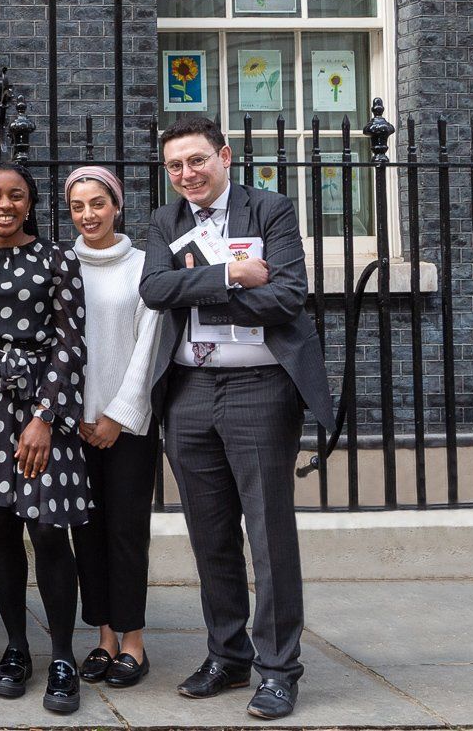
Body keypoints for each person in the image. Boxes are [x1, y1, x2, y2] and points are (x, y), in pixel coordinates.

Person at [140, 115, 336, 721]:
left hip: (260, 386)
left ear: (223, 156)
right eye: (175, 166)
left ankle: (278, 670)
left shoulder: (270, 209)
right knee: (211, 534)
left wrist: (191, 284)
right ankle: (227, 654)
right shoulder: (165, 220)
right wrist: (229, 274)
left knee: (269, 534)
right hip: (190, 390)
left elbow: (286, 295)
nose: (186, 174)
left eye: (196, 160)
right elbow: (152, 288)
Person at [0, 161, 88, 714]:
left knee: (49, 532)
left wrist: (45, 417)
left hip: (39, 415)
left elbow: (71, 343)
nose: (4, 206)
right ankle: (17, 649)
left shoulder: (58, 259)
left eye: (15, 197)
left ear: (30, 204)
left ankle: (60, 656)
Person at [62, 165, 164, 690]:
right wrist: (76, 412)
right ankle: (103, 636)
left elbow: (149, 349)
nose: (88, 215)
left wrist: (117, 416)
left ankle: (134, 642)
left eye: (97, 203)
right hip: (75, 424)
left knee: (126, 532)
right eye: (78, 206)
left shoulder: (145, 267)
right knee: (88, 533)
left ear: (117, 205)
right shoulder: (61, 265)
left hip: (127, 424)